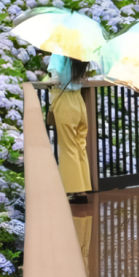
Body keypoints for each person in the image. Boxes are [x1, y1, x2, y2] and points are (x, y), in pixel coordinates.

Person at [47, 54, 93, 204]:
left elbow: (56, 78)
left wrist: (47, 82)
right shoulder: (80, 54)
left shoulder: (59, 52)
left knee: (68, 147)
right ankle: (83, 188)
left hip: (64, 98)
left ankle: (72, 189)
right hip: (78, 99)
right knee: (80, 145)